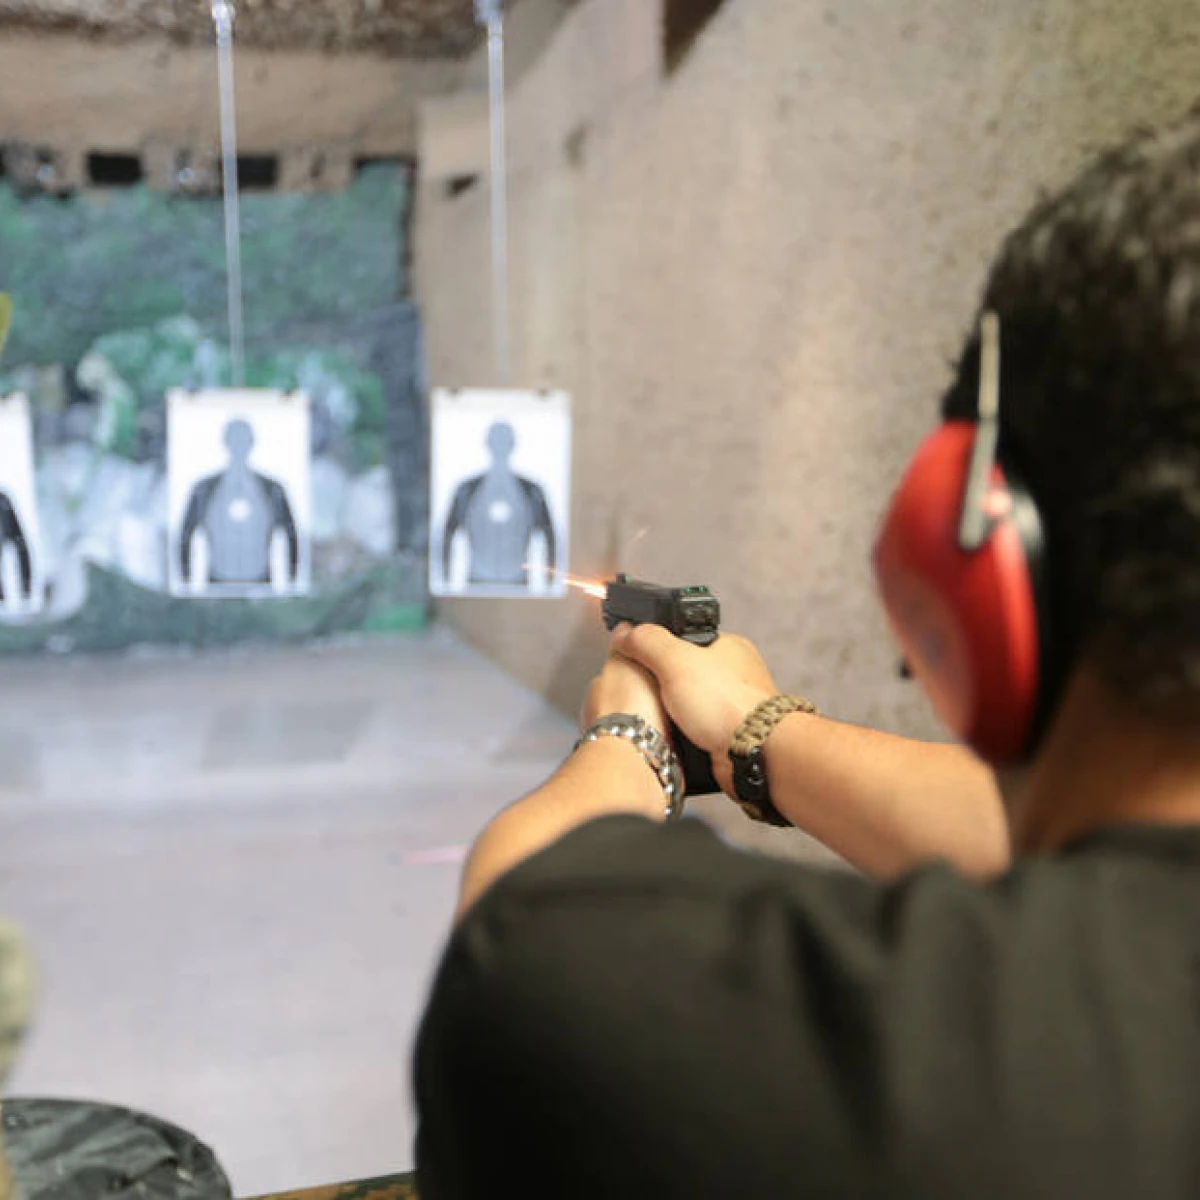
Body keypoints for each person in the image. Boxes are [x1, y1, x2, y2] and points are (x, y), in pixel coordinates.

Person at [414, 110, 1200, 1199]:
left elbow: (518, 932)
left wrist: (627, 735)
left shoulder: (945, 1066)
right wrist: (752, 730)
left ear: (967, 572)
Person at [179, 418, 299, 589]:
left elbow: (291, 533)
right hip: (218, 582)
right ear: (226, 443)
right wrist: (185, 578)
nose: (239, 446)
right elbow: (186, 533)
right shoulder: (204, 490)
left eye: (243, 440)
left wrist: (292, 579)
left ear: (251, 443)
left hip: (260, 583)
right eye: (235, 440)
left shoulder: (273, 490)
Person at [440, 421, 558, 590]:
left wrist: (550, 581)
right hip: (478, 580)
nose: (500, 447)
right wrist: (445, 579)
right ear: (488, 443)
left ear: (512, 444)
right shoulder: (467, 491)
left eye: (504, 441)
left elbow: (549, 535)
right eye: (496, 441)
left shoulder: (532, 492)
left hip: (517, 582)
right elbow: (448, 533)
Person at [0, 490, 32, 607]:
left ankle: (25, 589)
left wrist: (26, 587)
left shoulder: (3, 499)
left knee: (21, 547)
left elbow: (20, 543)